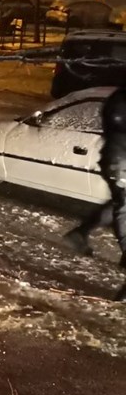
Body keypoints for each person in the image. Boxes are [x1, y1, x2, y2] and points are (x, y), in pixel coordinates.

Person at [62, 86, 126, 301]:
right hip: (119, 161)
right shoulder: (121, 101)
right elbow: (117, 126)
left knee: (119, 203)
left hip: (118, 159)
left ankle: (81, 232)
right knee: (124, 206)